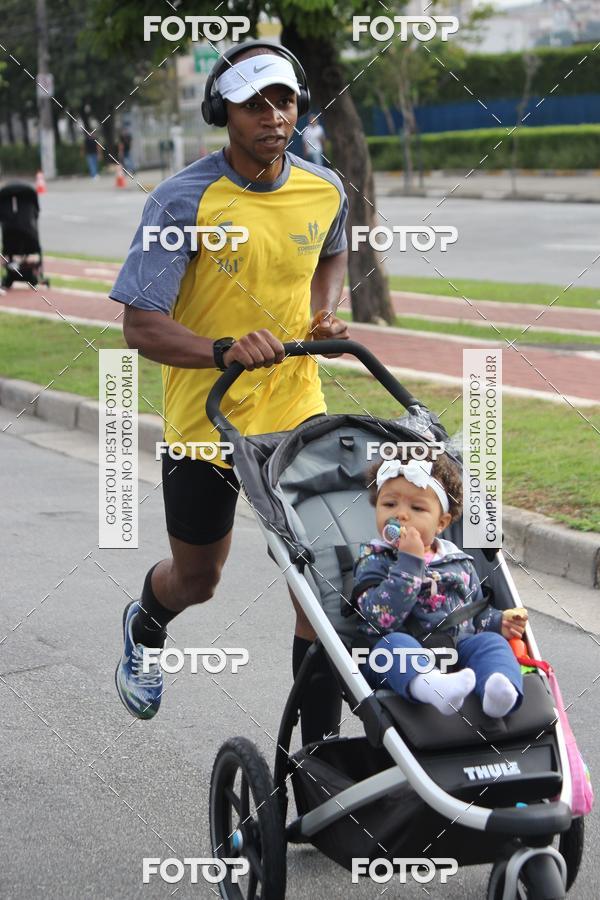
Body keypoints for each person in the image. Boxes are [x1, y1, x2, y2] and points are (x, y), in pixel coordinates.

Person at [108, 40, 349, 743]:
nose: (274, 117)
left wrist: (321, 311)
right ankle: (146, 623)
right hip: (205, 422)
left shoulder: (325, 187)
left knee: (317, 584)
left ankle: (315, 766)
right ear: (223, 113)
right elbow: (140, 327)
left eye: (285, 101)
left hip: (296, 414)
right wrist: (223, 350)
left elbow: (332, 249)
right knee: (198, 580)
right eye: (254, 105)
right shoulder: (181, 201)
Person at [352, 450, 528, 718]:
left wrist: (497, 621)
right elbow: (380, 618)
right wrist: (409, 563)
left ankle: (497, 690)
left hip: (457, 650)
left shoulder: (458, 561)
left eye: (417, 508)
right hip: (396, 656)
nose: (401, 515)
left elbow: (472, 613)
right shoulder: (375, 558)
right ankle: (434, 687)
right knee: (394, 646)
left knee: (491, 643)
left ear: (441, 523)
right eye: (389, 504)